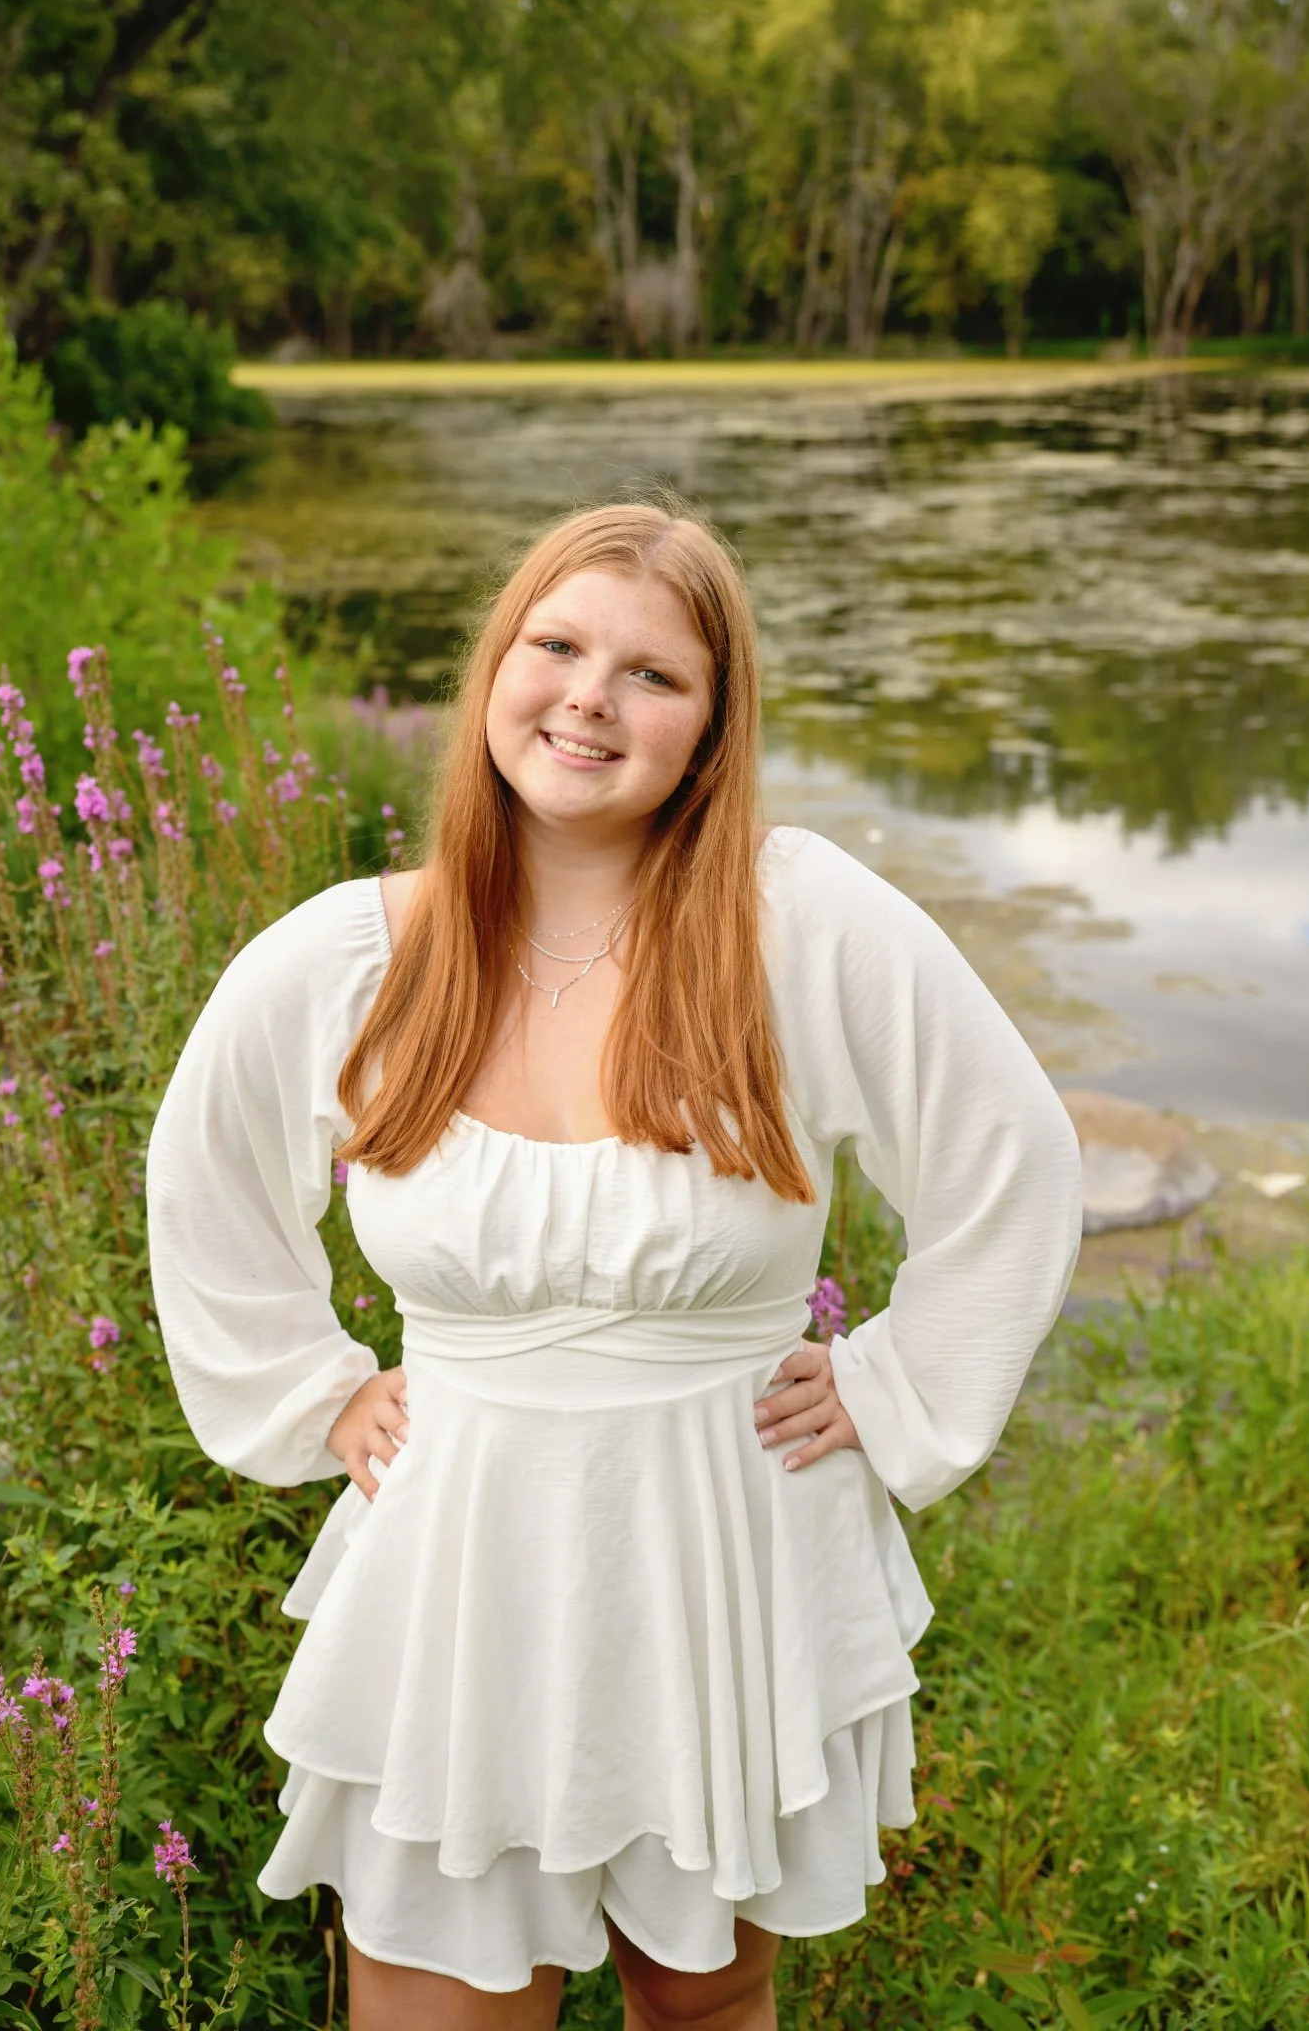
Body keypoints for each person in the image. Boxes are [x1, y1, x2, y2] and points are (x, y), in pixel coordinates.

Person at [146, 501, 1083, 2031]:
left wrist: (895, 1384)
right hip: (462, 1563)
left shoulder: (799, 926)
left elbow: (1014, 1158)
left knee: (703, 2005)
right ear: (496, 669)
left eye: (655, 675)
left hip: (724, 1547)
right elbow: (203, 1180)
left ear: (711, 730)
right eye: (559, 645)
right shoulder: (353, 959)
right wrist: (314, 1395)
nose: (590, 697)